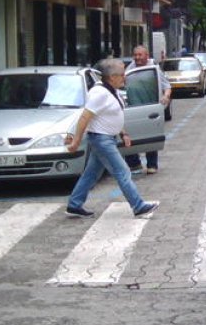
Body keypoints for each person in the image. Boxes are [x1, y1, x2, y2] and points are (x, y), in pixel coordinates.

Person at [64, 58, 158, 218]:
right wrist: (76, 141)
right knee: (123, 171)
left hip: (107, 138)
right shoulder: (99, 93)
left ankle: (74, 204)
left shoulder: (111, 90)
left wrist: (123, 133)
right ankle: (138, 205)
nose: (125, 77)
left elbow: (111, 115)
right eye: (122, 74)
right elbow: (84, 118)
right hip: (102, 139)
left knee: (91, 174)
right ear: (112, 77)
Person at [124, 45, 172, 174]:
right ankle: (134, 164)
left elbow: (167, 86)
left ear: (147, 55)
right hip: (133, 108)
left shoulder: (154, 69)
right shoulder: (130, 68)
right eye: (135, 55)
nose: (137, 58)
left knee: (149, 135)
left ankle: (152, 165)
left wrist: (166, 96)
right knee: (130, 137)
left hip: (149, 108)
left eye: (140, 55)